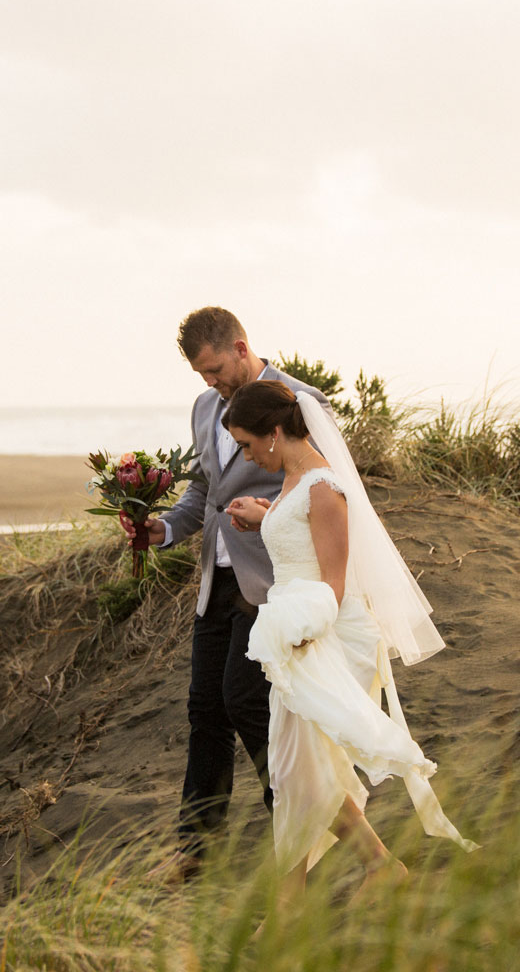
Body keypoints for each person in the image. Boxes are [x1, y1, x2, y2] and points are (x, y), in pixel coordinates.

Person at [221, 379, 476, 908]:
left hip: (321, 637)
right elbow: (304, 545)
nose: (246, 454)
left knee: (296, 771)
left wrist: (292, 633)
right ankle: (376, 868)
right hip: (293, 636)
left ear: (273, 432)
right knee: (298, 772)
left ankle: (303, 901)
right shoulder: (294, 481)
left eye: (247, 443)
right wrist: (265, 518)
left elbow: (332, 589)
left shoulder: (322, 487)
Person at [128, 307, 329, 880]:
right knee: (204, 711)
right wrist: (161, 529)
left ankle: (298, 829)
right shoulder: (202, 409)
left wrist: (269, 514)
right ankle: (195, 848)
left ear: (241, 347)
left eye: (215, 369)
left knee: (249, 703)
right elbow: (204, 494)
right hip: (215, 581)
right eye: (201, 375)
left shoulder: (300, 401)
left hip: (273, 583)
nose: (210, 383)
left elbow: (327, 489)